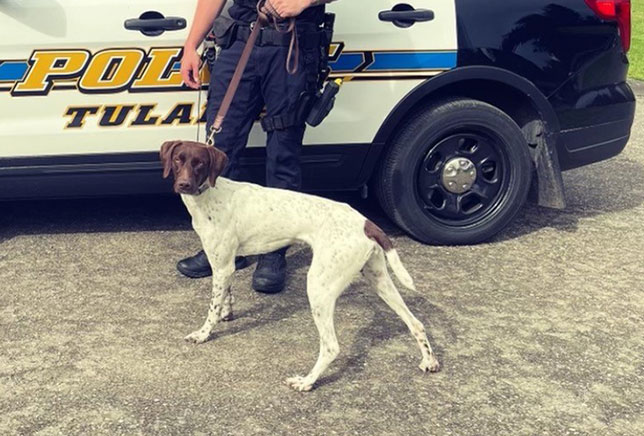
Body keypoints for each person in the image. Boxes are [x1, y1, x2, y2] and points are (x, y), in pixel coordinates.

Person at [178, 0, 336, 293]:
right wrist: (191, 45)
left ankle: (273, 253)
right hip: (240, 43)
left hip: (292, 43)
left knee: (282, 153)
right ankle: (225, 246)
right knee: (220, 148)